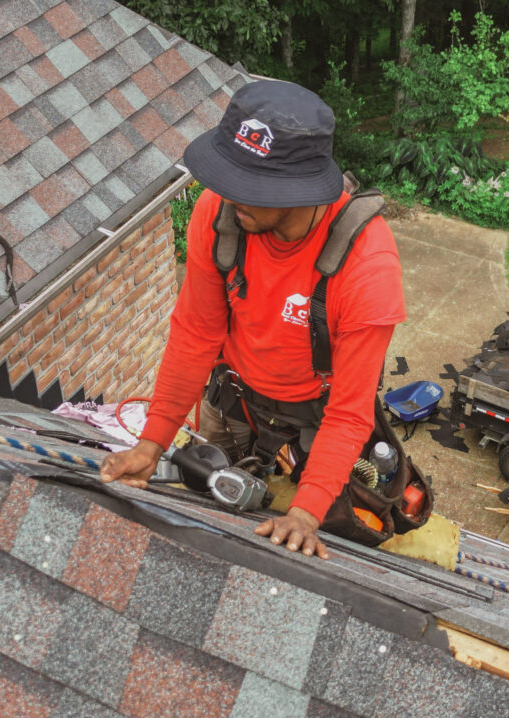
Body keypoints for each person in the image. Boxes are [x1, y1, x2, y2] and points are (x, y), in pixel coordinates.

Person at [100, 80, 406, 559]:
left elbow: (350, 411)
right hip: (235, 400)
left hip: (317, 418)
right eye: (227, 177)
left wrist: (306, 512)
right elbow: (195, 334)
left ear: (300, 189)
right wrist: (152, 443)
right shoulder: (220, 216)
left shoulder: (367, 266)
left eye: (249, 186)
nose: (228, 193)